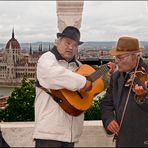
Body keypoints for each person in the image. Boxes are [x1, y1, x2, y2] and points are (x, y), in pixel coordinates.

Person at [33, 26, 92, 147]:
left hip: (71, 135)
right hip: (49, 134)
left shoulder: (79, 66)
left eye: (75, 45)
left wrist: (107, 75)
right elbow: (53, 75)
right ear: (58, 42)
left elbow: (91, 89)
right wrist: (83, 82)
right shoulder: (47, 58)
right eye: (67, 43)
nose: (71, 47)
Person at [100, 36, 148, 147]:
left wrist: (142, 98)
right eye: (116, 58)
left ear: (135, 56)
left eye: (120, 58)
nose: (117, 62)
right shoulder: (116, 77)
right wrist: (109, 120)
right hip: (123, 140)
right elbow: (106, 103)